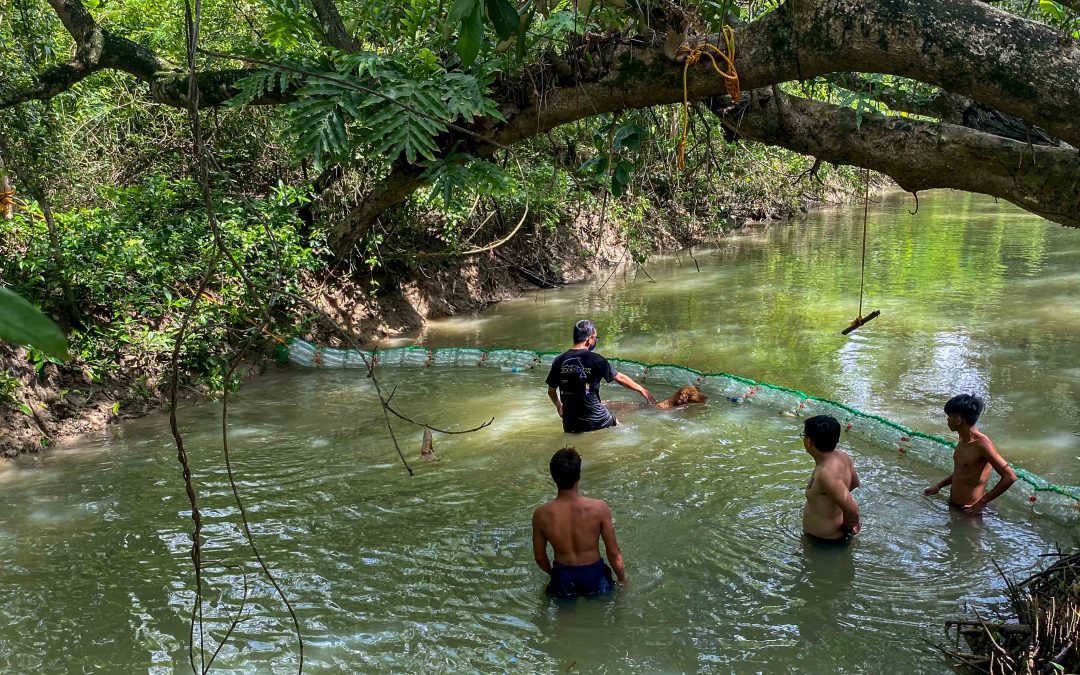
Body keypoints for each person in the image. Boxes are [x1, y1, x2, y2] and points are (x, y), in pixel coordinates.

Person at [532, 447, 627, 598]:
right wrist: (622, 578)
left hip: (563, 575)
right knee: (600, 616)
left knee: (564, 620)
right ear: (579, 476)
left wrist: (553, 574)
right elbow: (613, 552)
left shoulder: (541, 514)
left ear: (553, 477)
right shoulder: (599, 508)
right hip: (594, 574)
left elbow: (540, 557)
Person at [545, 319, 655, 433]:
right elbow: (619, 377)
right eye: (595, 338)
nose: (595, 341)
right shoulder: (596, 359)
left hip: (570, 423)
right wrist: (641, 389)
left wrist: (558, 406)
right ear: (589, 339)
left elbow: (551, 391)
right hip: (597, 419)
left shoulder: (559, 360)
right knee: (626, 429)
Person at [923, 394, 1016, 515]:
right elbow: (962, 471)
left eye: (949, 416)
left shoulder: (982, 444)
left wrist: (981, 504)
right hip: (954, 505)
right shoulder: (962, 439)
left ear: (958, 420)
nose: (947, 420)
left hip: (971, 512)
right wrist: (938, 486)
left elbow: (1010, 477)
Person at [801, 415, 862, 547]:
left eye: (804, 435)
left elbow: (853, 511)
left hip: (825, 543)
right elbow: (854, 484)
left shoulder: (826, 474)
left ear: (809, 441)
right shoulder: (842, 456)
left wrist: (847, 528)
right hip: (828, 539)